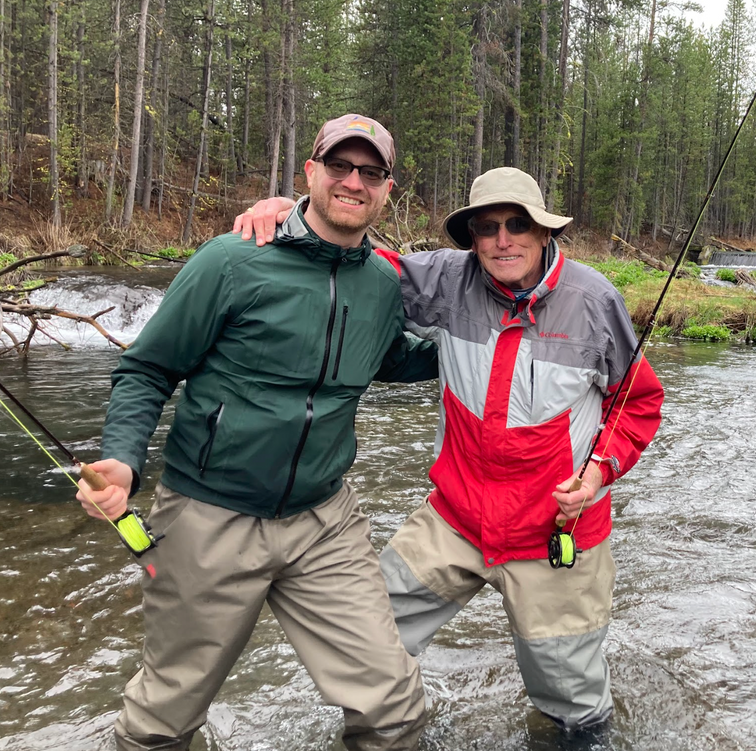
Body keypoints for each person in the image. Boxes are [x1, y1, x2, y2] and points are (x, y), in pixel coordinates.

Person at [235, 166, 665, 731]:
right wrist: (295, 215)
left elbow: (638, 402)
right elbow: (360, 264)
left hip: (555, 533)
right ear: (472, 239)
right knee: (369, 635)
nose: (503, 240)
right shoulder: (445, 278)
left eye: (518, 225)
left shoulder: (595, 301)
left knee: (572, 707)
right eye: (488, 227)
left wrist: (598, 473)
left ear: (544, 232)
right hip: (454, 520)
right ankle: (393, 731)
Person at [80, 114, 436, 751]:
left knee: (394, 709)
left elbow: (390, 359)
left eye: (371, 172)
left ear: (388, 188)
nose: (353, 182)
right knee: (163, 719)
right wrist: (123, 461)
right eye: (340, 166)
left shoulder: (384, 283)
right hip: (209, 516)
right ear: (311, 172)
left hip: (325, 521)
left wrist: (487, 343)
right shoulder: (232, 259)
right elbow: (147, 368)